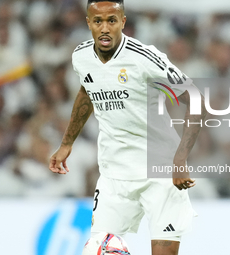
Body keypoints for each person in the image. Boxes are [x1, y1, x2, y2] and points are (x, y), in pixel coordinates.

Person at [49, 1, 207, 254]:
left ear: (123, 21)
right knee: (95, 250)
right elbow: (87, 90)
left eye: (111, 20)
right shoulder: (81, 56)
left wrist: (180, 158)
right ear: (88, 22)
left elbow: (196, 100)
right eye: (97, 21)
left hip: (160, 172)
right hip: (114, 175)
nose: (104, 28)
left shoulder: (144, 58)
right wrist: (67, 142)